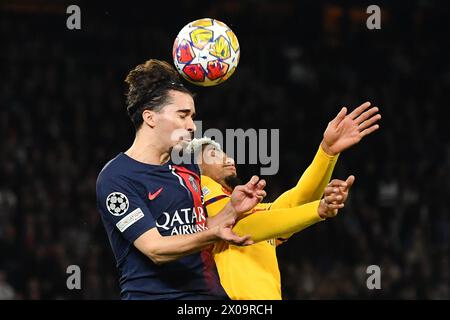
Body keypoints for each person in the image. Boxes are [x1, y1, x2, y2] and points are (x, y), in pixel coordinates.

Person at [95, 59, 267, 300]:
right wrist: (213, 235)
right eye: (183, 115)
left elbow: (194, 229)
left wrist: (232, 210)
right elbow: (155, 249)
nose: (191, 126)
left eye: (192, 116)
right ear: (150, 117)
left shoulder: (186, 165)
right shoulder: (117, 177)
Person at [187, 102, 381, 299]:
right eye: (214, 155)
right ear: (196, 168)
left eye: (227, 154)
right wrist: (318, 209)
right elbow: (238, 228)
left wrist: (327, 153)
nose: (229, 160)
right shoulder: (202, 189)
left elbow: (295, 203)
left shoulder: (253, 212)